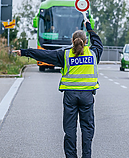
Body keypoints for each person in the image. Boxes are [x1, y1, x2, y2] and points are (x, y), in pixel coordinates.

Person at [13, 20, 103, 158]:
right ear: (85, 42)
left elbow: (44, 55)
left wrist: (25, 52)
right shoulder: (94, 53)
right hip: (87, 97)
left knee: (70, 130)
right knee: (87, 129)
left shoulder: (65, 54)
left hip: (70, 96)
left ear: (72, 41)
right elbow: (98, 42)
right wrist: (89, 27)